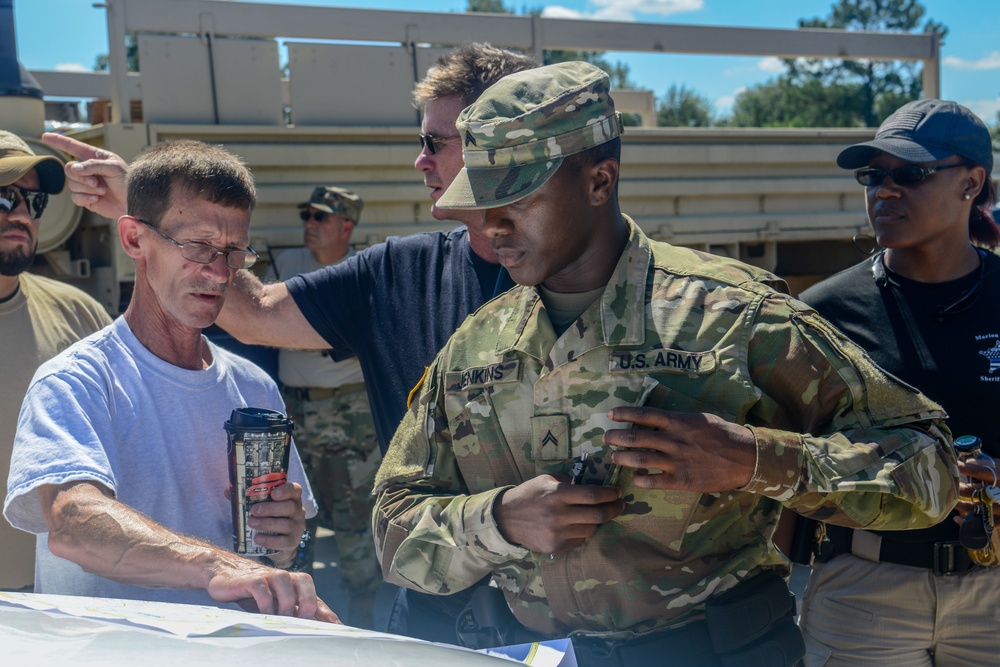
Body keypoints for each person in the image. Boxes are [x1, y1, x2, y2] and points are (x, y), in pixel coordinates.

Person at [371, 62, 959, 667]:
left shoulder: (738, 316)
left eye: (517, 199)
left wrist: (752, 460)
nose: (492, 227)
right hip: (538, 653)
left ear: (601, 181)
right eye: (481, 202)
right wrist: (499, 520)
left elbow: (929, 468)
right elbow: (392, 534)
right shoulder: (476, 346)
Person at [41, 42, 537, 642]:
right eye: (201, 248)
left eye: (436, 142)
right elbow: (254, 310)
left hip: (580, 615)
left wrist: (281, 544)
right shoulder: (396, 276)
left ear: (500, 140)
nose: (419, 161)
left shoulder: (601, 282)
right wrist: (146, 206)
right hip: (436, 616)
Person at [3, 139, 339, 623]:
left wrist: (287, 541)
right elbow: (73, 523)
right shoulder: (75, 381)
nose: (220, 273)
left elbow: (282, 550)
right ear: (134, 239)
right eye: (199, 247)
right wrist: (217, 566)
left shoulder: (255, 388)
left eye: (234, 251)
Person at [795, 100, 1000, 666]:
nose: (884, 191)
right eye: (873, 175)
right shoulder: (822, 314)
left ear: (972, 182)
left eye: (910, 173)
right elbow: (789, 449)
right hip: (865, 591)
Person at [264, 185, 382, 628]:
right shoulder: (288, 266)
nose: (309, 226)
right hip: (292, 413)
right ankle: (294, 613)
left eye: (321, 218)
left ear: (345, 226)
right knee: (290, 515)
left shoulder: (362, 272)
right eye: (307, 217)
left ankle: (365, 612)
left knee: (353, 516)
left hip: (346, 414)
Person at [0, 130, 113, 591]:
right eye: (5, 198)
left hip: (57, 595)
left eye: (34, 202)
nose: (23, 214)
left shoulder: (80, 314)